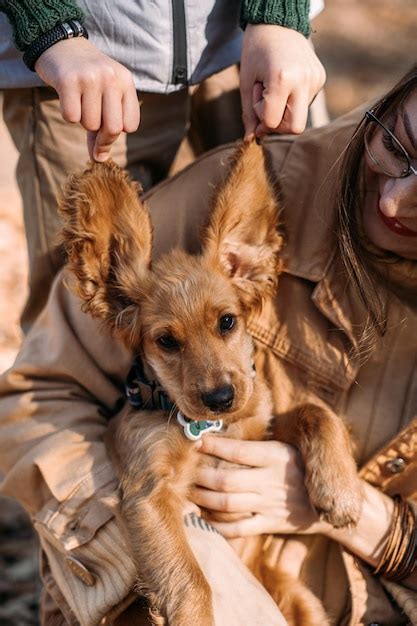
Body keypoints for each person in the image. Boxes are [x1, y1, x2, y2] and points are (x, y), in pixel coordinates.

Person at [1, 61, 416, 626]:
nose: (396, 200)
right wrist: (205, 578)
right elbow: (34, 402)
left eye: (225, 327)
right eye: (400, 145)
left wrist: (380, 528)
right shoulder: (232, 212)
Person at [0, 0, 326, 330]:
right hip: (83, 66)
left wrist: (281, 15)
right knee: (82, 318)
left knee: (289, 281)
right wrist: (53, 30)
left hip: (249, 45)